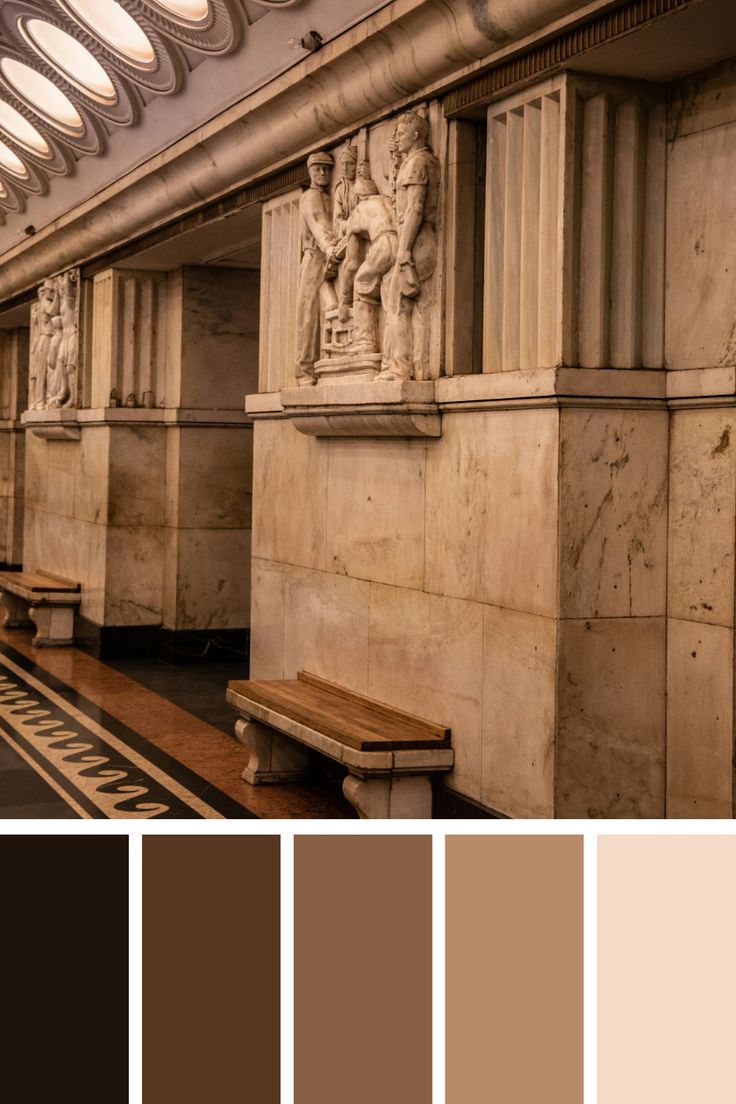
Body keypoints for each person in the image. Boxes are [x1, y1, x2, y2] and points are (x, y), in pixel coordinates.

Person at [379, 109, 439, 381]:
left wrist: (403, 253)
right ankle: (411, 366)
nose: (397, 138)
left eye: (401, 134)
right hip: (415, 239)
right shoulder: (415, 161)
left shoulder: (417, 164)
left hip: (416, 241)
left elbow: (415, 209)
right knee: (411, 306)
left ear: (415, 135)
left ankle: (401, 369)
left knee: (398, 303)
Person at [336, 176, 397, 355]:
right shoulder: (386, 201)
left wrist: (344, 299)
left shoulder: (360, 210)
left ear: (358, 198)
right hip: (398, 243)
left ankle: (365, 342)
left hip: (382, 245)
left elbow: (352, 262)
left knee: (361, 284)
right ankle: (390, 354)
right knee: (390, 300)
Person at [295, 150, 339, 386]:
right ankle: (305, 371)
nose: (322, 173)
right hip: (315, 258)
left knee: (330, 308)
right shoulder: (310, 197)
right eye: (317, 170)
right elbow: (318, 225)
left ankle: (326, 360)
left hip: (329, 258)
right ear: (310, 173)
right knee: (309, 316)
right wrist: (330, 247)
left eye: (326, 169)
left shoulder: (329, 197)